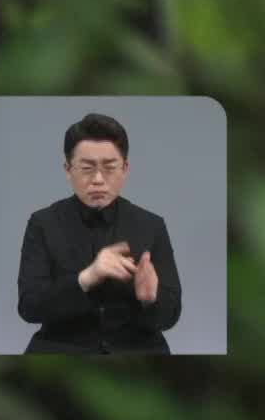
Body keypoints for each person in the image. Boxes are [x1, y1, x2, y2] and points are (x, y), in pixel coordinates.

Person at [16, 112, 182, 353]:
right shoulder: (43, 223)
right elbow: (29, 308)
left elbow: (171, 315)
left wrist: (150, 299)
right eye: (86, 168)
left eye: (109, 167)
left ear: (125, 168)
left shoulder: (152, 225)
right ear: (67, 169)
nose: (98, 179)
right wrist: (87, 277)